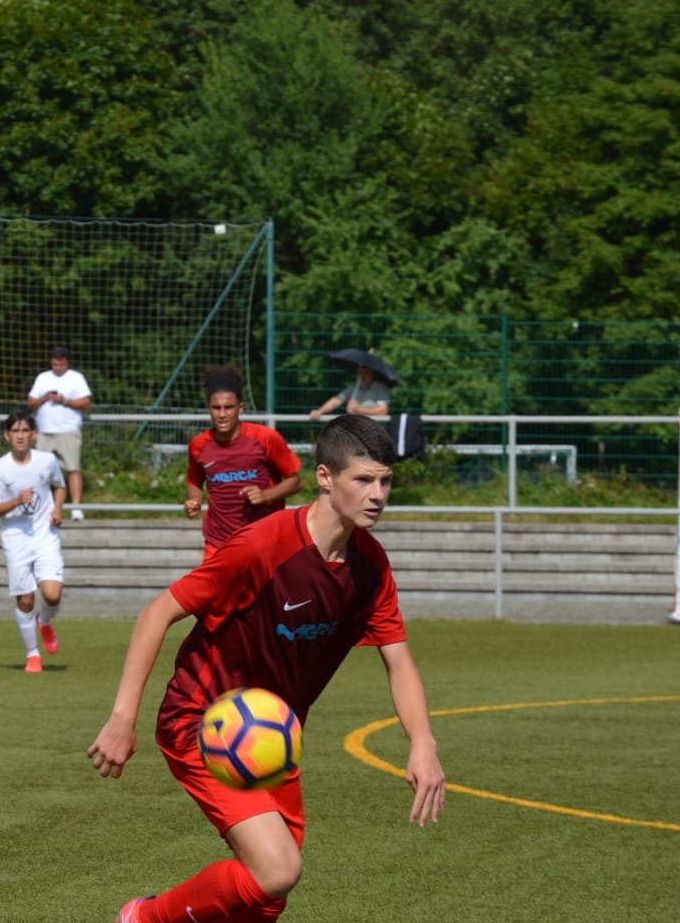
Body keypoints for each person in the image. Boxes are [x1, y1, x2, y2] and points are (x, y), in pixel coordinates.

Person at [87, 414, 445, 923]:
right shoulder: (263, 546)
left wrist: (422, 741)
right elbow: (158, 612)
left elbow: (399, 659)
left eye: (385, 480)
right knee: (276, 869)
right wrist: (123, 717)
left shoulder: (372, 566)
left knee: (269, 888)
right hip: (204, 720)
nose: (378, 493)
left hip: (273, 734)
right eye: (363, 479)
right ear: (325, 477)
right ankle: (143, 919)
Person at [184, 366, 303, 560]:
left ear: (240, 408)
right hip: (218, 542)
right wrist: (193, 501)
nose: (222, 414)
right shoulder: (199, 445)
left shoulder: (265, 438)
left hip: (264, 539)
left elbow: (296, 481)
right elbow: (194, 483)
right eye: (216, 408)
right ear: (208, 409)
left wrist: (266, 495)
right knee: (212, 591)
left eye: (229, 407)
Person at [0, 409, 67, 673]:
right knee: (25, 600)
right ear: (6, 435)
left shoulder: (46, 461)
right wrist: (15, 501)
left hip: (45, 534)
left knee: (52, 594)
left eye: (24, 431)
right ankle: (32, 655)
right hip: (15, 538)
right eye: (15, 431)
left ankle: (43, 621)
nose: (20, 436)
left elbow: (60, 486)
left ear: (33, 434)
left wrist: (57, 510)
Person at [27, 344, 92, 520]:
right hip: (45, 433)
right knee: (40, 471)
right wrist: (44, 398)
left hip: (68, 431)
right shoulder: (42, 378)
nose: (57, 368)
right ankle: (40, 507)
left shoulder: (76, 378)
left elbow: (86, 403)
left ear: (67, 362)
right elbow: (31, 404)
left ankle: (76, 508)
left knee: (73, 469)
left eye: (61, 364)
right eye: (54, 364)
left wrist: (64, 400)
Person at [308, 364, 391, 419]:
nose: (362, 376)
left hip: (373, 431)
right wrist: (320, 411)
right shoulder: (354, 387)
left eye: (366, 373)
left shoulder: (380, 388)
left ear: (373, 375)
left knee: (368, 404)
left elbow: (383, 411)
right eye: (360, 373)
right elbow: (336, 400)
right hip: (355, 430)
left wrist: (359, 410)